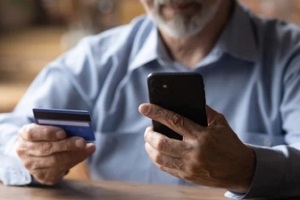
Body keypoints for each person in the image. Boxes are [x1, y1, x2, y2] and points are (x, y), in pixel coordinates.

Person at [1, 0, 300, 199]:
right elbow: (8, 135)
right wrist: (28, 154)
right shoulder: (96, 60)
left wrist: (248, 168)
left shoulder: (291, 56)